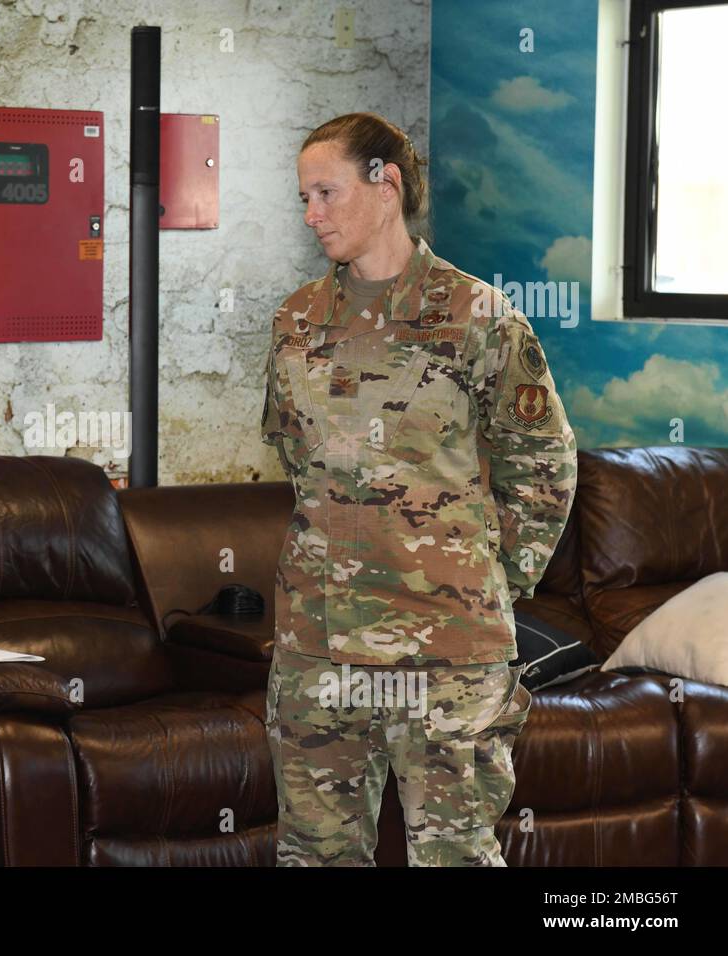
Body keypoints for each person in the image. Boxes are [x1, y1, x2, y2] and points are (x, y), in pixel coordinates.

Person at [259, 112, 578, 866]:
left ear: (387, 184)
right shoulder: (296, 321)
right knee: (313, 854)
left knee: (454, 857)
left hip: (448, 651)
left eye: (326, 193)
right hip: (319, 645)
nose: (312, 215)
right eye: (304, 198)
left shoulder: (478, 317)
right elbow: (293, 454)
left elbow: (544, 461)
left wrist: (491, 579)